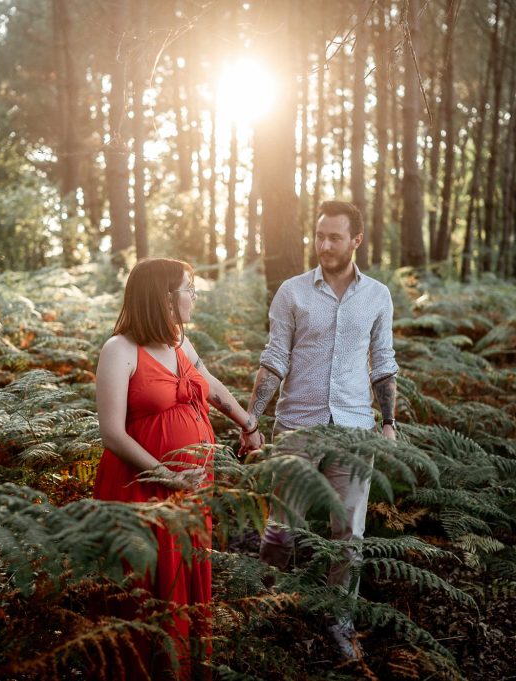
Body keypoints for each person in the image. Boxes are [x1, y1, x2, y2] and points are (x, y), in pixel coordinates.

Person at [94, 257, 264, 680]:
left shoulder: (180, 344)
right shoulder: (120, 350)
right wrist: (166, 475)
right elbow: (112, 434)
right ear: (164, 296)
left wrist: (247, 423)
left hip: (190, 490)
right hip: (142, 491)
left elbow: (212, 388)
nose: (194, 298)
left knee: (182, 582)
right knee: (146, 588)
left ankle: (181, 668)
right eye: (189, 289)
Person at [244, 200, 399, 660]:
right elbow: (274, 359)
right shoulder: (292, 292)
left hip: (355, 430)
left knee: (348, 535)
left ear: (356, 240)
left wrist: (388, 422)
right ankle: (266, 607)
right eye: (319, 235)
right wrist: (253, 416)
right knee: (280, 530)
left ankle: (339, 619)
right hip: (297, 425)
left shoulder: (378, 296)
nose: (324, 244)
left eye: (334, 236)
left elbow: (384, 364)